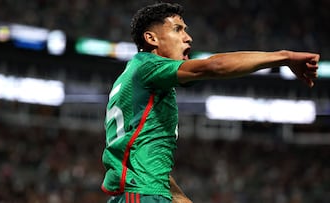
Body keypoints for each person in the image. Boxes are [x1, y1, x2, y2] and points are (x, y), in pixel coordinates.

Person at [101, 2, 319, 203]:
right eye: (178, 29)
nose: (188, 37)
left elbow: (150, 169)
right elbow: (213, 66)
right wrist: (284, 56)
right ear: (152, 39)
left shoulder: (135, 76)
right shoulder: (148, 67)